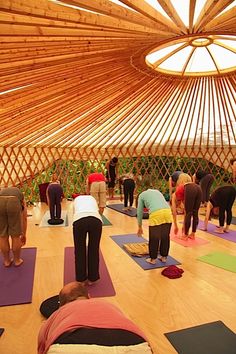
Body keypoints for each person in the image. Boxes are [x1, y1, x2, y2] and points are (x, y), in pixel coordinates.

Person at [38, 282, 153, 354]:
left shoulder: (58, 314)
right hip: (135, 346)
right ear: (89, 297)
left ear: (61, 305)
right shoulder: (107, 305)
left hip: (69, 346)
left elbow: (42, 344)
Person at [137, 187, 173, 264]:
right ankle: (164, 257)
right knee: (165, 236)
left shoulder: (141, 196)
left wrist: (139, 226)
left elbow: (139, 212)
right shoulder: (157, 191)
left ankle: (152, 259)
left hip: (156, 213)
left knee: (154, 237)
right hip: (168, 211)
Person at [73, 195, 102, 284]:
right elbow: (97, 211)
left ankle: (81, 279)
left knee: (79, 250)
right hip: (96, 221)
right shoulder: (92, 198)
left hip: (79, 220)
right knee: (94, 249)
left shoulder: (76, 199)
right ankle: (93, 278)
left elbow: (74, 213)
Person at [0, 186, 27, 267]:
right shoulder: (20, 194)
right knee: (15, 235)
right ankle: (17, 260)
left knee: (2, 235)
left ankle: (6, 261)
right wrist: (24, 234)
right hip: (13, 202)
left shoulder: (2, 191)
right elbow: (24, 217)